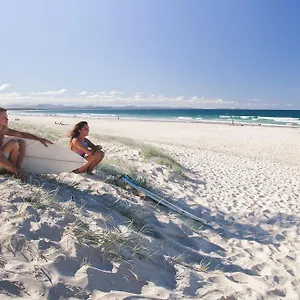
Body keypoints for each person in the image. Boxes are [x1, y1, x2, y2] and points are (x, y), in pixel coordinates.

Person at [0, 107, 52, 176]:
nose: (7, 119)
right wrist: (13, 169)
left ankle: (17, 169)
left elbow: (21, 134)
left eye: (7, 117)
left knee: (21, 142)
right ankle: (15, 172)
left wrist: (39, 138)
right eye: (4, 117)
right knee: (13, 143)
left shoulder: (3, 129)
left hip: (3, 161)